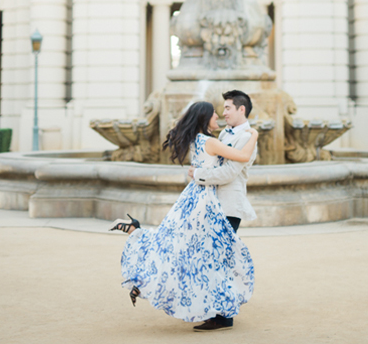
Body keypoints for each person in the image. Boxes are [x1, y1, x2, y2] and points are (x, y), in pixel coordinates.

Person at [108, 101, 258, 328]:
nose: (218, 115)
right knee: (201, 254)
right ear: (205, 118)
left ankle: (139, 243)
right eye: (214, 113)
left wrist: (198, 172)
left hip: (193, 197)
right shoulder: (210, 141)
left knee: (179, 247)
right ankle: (220, 312)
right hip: (205, 201)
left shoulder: (196, 141)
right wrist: (255, 135)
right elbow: (243, 156)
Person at [187, 89, 257, 332]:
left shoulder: (247, 138)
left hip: (229, 205)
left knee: (219, 259)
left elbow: (229, 173)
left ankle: (224, 316)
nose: (223, 112)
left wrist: (198, 175)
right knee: (211, 257)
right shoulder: (223, 134)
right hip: (213, 204)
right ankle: (216, 311)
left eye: (228, 108)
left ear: (241, 110)